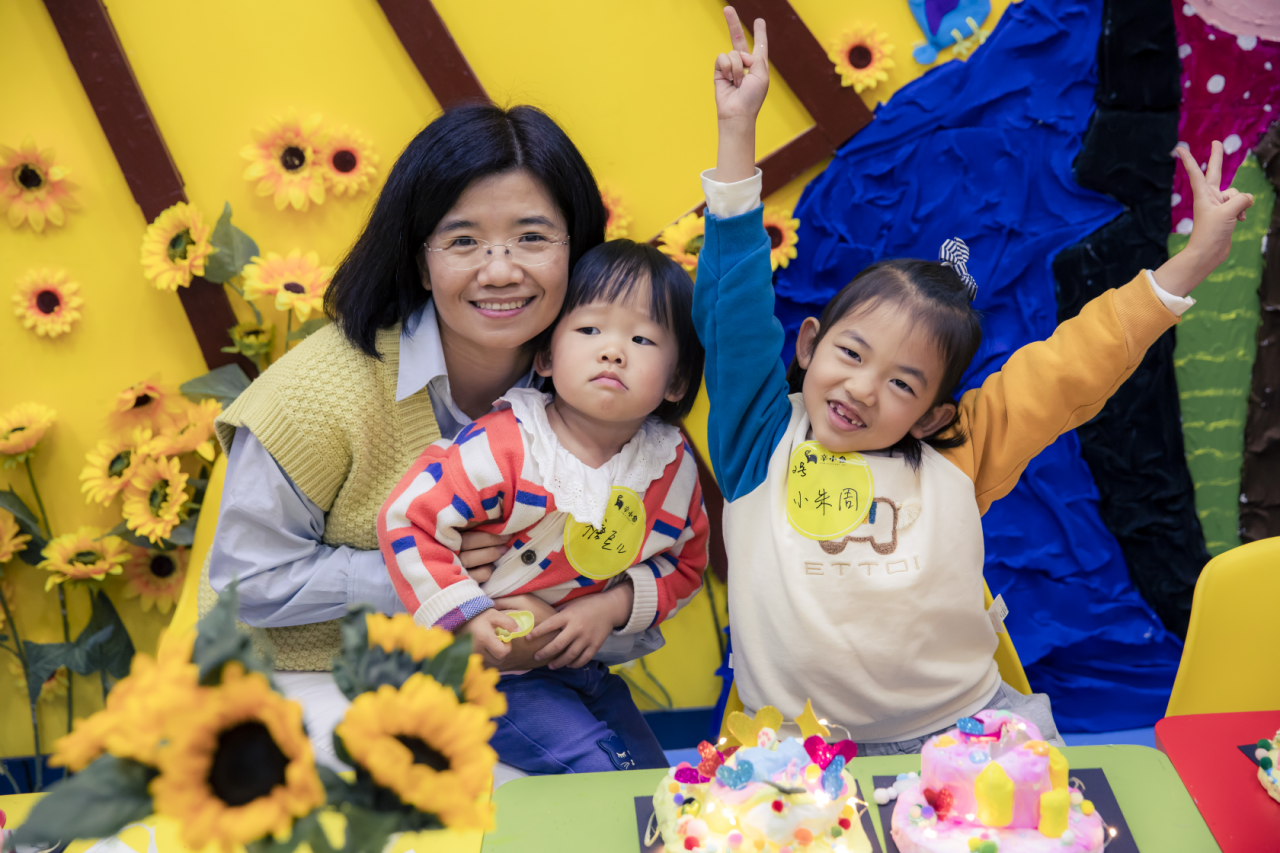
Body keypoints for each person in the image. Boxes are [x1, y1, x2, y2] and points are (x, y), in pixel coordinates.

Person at [697, 8, 1254, 754]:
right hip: (796, 756)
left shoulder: (957, 452)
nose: (863, 388)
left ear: (933, 414)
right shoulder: (760, 440)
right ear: (808, 344)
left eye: (903, 385)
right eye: (851, 354)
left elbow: (1073, 365)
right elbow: (734, 309)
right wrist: (737, 131)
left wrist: (1191, 263)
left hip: (965, 740)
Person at [204, 104, 664, 771]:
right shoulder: (316, 394)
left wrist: (598, 610)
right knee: (484, 785)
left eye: (532, 237)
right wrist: (424, 578)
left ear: (576, 251)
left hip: (506, 676)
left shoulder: (595, 390)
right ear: (421, 263)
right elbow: (246, 579)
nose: (500, 271)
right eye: (464, 241)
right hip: (297, 677)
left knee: (632, 783)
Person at [378, 239, 709, 774]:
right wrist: (465, 618)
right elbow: (407, 519)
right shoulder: (507, 443)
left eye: (642, 339)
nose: (613, 351)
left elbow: (685, 564)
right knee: (600, 772)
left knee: (654, 775)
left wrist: (612, 607)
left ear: (676, 381)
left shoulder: (670, 466)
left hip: (581, 667)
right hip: (486, 674)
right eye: (589, 330)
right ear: (547, 357)